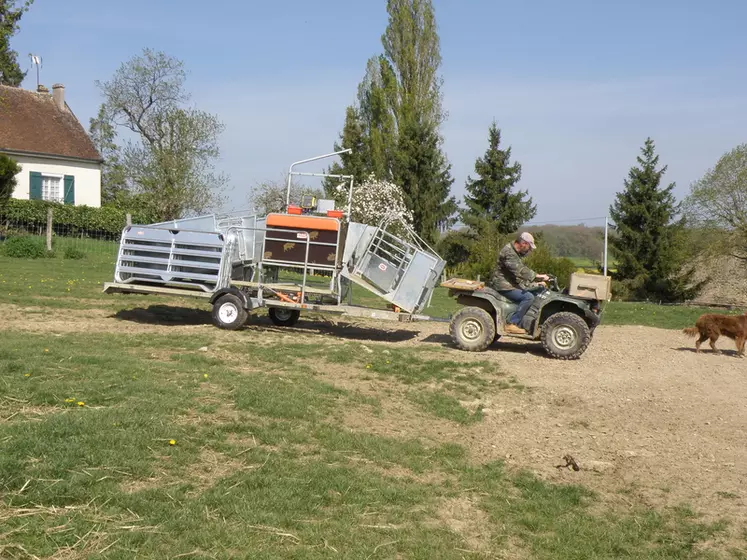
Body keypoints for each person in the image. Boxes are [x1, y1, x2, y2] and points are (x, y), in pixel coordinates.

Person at [488, 232, 550, 334]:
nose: (529, 250)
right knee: (528, 297)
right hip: (503, 284)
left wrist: (536, 283)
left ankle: (525, 322)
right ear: (523, 243)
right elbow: (519, 270)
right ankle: (512, 324)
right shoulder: (508, 252)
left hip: (511, 282)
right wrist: (538, 276)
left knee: (536, 291)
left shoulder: (515, 252)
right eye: (529, 247)